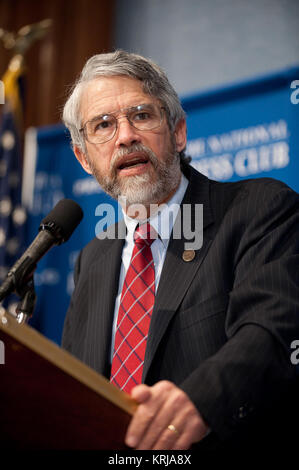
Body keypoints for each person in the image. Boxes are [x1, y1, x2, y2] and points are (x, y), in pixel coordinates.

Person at [61, 50, 299, 451]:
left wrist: (201, 401)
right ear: (84, 158)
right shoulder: (93, 260)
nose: (125, 136)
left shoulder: (257, 209)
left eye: (142, 115)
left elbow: (273, 331)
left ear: (178, 131)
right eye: (103, 125)